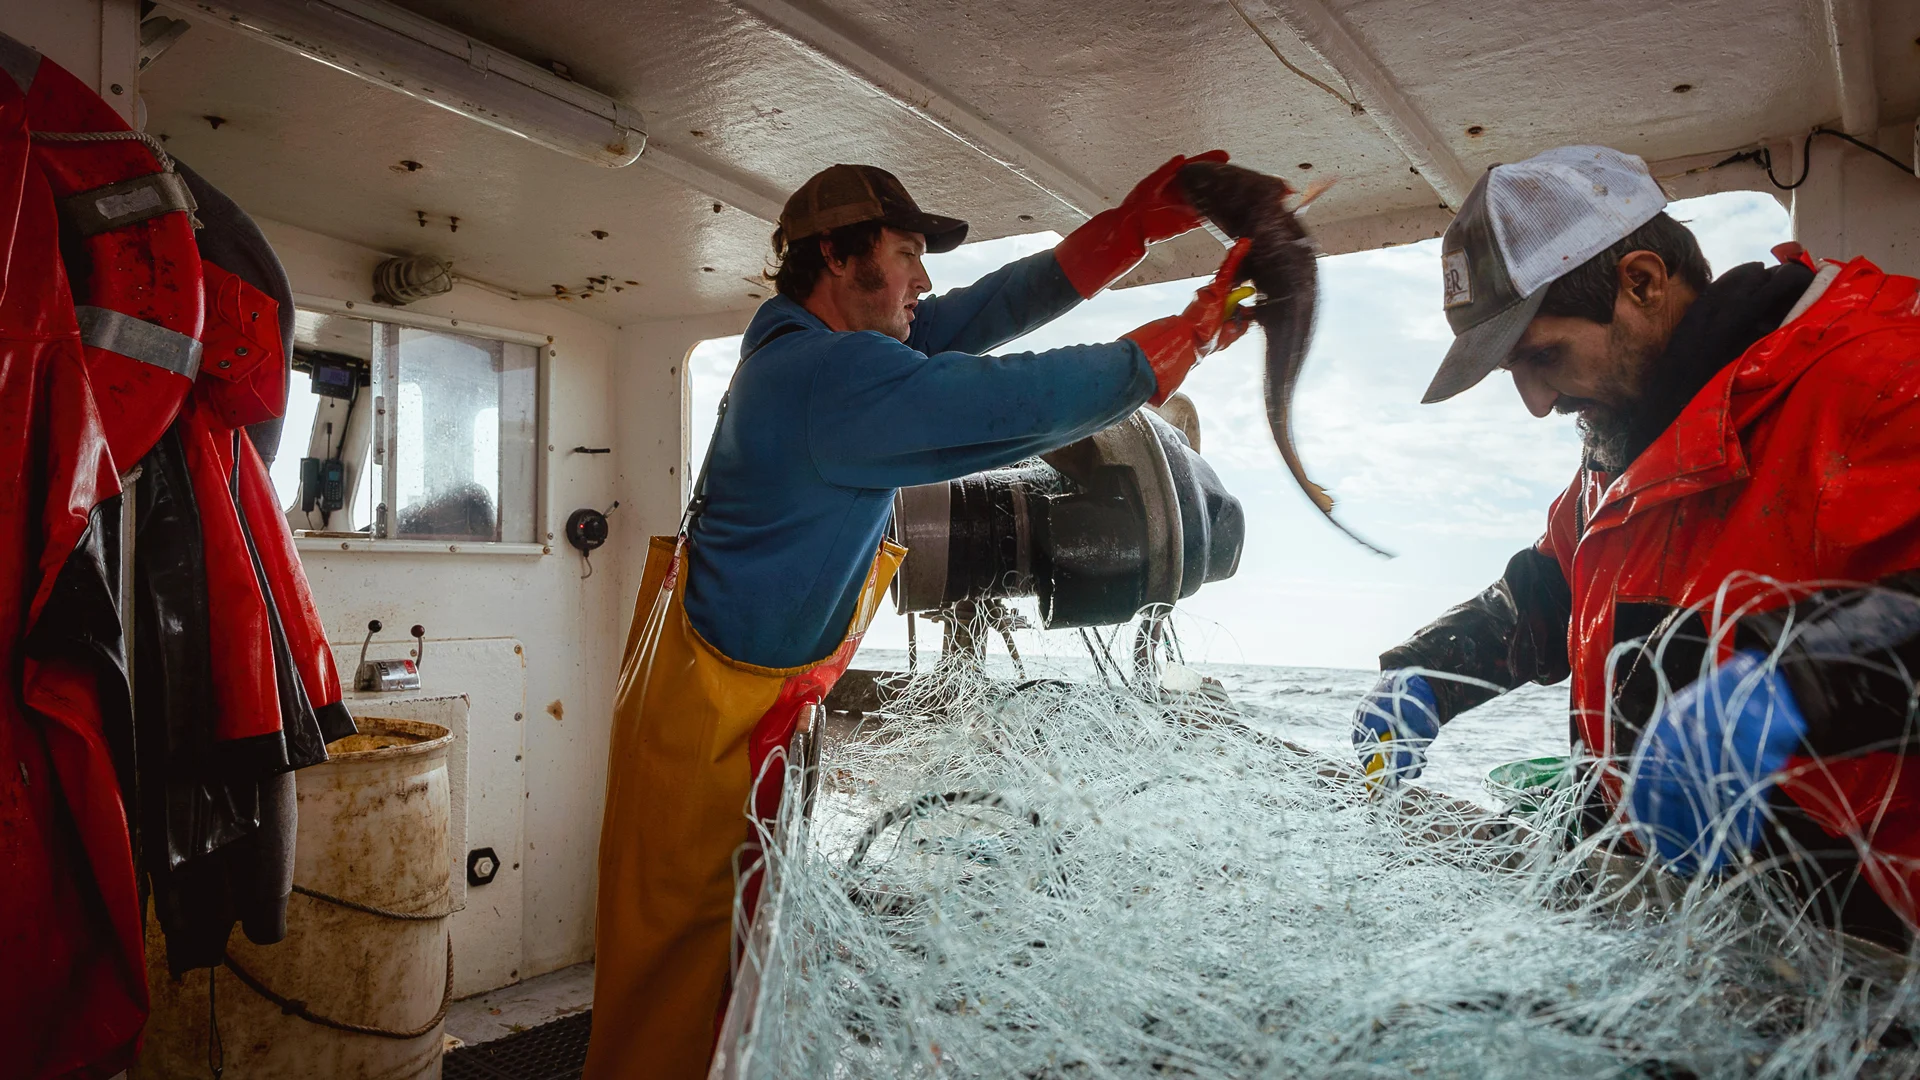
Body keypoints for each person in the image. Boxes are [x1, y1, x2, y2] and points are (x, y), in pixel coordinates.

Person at [587, 155, 1254, 1078]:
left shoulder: (800, 351)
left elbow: (982, 314)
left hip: (719, 709)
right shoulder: (832, 378)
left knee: (725, 971)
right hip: (710, 734)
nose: (924, 281)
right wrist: (1186, 339)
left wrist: (1130, 229)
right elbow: (1013, 404)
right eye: (905, 254)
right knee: (686, 995)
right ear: (838, 256)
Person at [1351, 145, 1920, 945]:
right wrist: (1427, 673)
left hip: (1865, 962)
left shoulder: (1885, 376)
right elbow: (1549, 593)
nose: (1538, 404)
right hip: (1670, 936)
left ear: (1644, 284)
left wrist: (1807, 682)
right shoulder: (1622, 446)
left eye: (1542, 357)